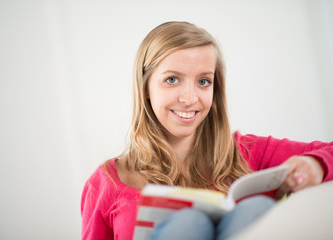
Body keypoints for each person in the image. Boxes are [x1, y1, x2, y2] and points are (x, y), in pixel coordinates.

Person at [81, 21, 333, 240]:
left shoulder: (248, 151)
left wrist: (317, 165)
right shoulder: (105, 183)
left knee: (254, 208)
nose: (190, 98)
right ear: (146, 88)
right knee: (190, 223)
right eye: (172, 79)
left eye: (203, 81)